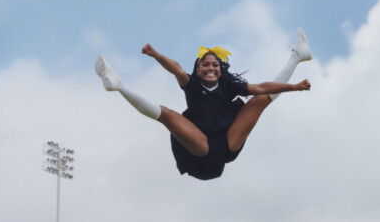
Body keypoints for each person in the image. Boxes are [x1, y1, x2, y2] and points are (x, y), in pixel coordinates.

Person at [95, 29, 312, 180]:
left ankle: (298, 55)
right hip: (201, 149)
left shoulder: (229, 85)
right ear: (198, 70)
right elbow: (177, 69)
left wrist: (294, 87)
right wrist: (156, 55)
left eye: (215, 65)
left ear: (221, 69)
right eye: (205, 64)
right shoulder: (191, 84)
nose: (210, 68)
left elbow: (264, 88)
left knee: (260, 101)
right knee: (168, 115)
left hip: (228, 143)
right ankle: (119, 85)